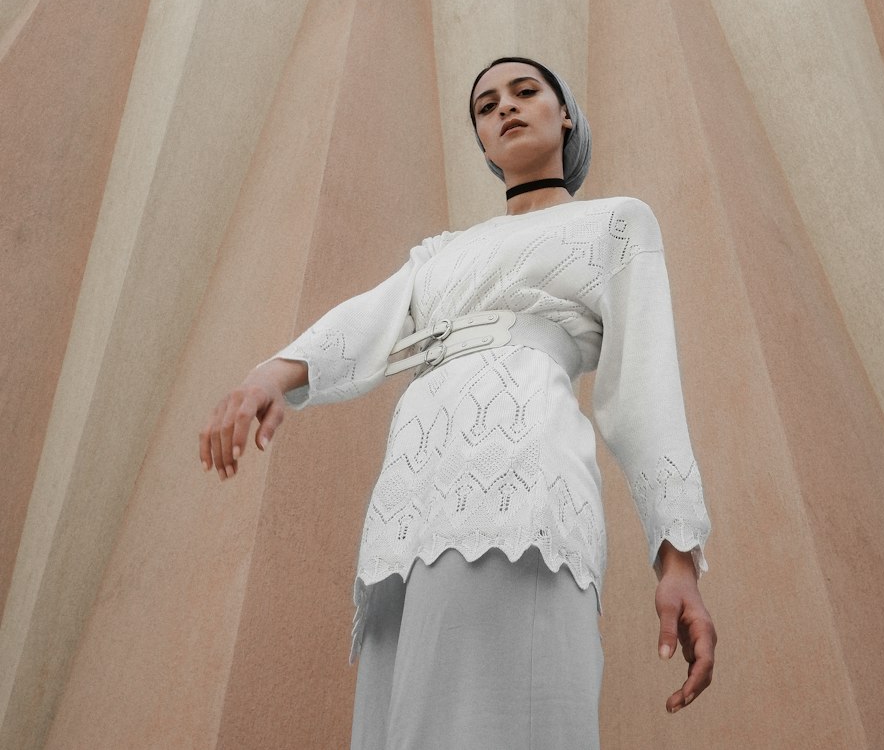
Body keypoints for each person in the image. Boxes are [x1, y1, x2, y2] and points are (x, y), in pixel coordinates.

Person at [200, 56, 717, 748]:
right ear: (480, 142)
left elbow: (646, 390)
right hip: (409, 502)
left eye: (526, 92)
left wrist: (677, 563)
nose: (504, 107)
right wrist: (269, 377)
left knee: (503, 716)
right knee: (402, 721)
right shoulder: (442, 255)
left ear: (565, 114)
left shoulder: (615, 224)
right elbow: (367, 320)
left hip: (520, 485)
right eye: (485, 105)